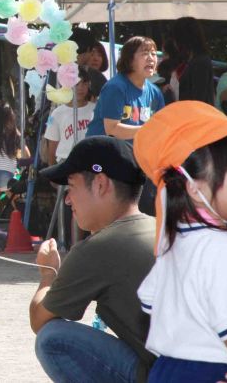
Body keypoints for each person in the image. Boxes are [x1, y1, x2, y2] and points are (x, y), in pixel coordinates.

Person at [30, 136, 156, 383]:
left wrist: (48, 275)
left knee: (53, 338)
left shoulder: (99, 247)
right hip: (205, 369)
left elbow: (39, 320)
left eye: (71, 187)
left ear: (100, 184)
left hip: (169, 374)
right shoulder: (160, 227)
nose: (67, 199)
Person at [134, 101, 227, 381]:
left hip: (167, 370)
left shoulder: (173, 245)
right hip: (210, 370)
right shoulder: (219, 249)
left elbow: (149, 300)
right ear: (195, 189)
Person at [86, 36, 164, 142]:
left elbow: (160, 126)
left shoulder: (156, 93)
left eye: (153, 54)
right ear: (130, 60)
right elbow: (112, 129)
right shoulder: (115, 87)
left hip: (133, 150)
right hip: (103, 149)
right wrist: (147, 130)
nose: (151, 58)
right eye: (145, 53)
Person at [0, 101, 29, 233]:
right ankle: (21, 233)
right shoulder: (13, 134)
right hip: (6, 174)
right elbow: (27, 154)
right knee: (16, 204)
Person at [44, 66, 97, 167]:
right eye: (76, 84)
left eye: (84, 83)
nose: (80, 88)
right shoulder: (57, 113)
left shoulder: (96, 109)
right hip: (65, 161)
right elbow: (52, 146)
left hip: (91, 161)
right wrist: (53, 171)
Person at [162, 16, 214, 105]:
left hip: (195, 112)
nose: (174, 42)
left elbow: (198, 99)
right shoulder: (192, 60)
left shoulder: (200, 62)